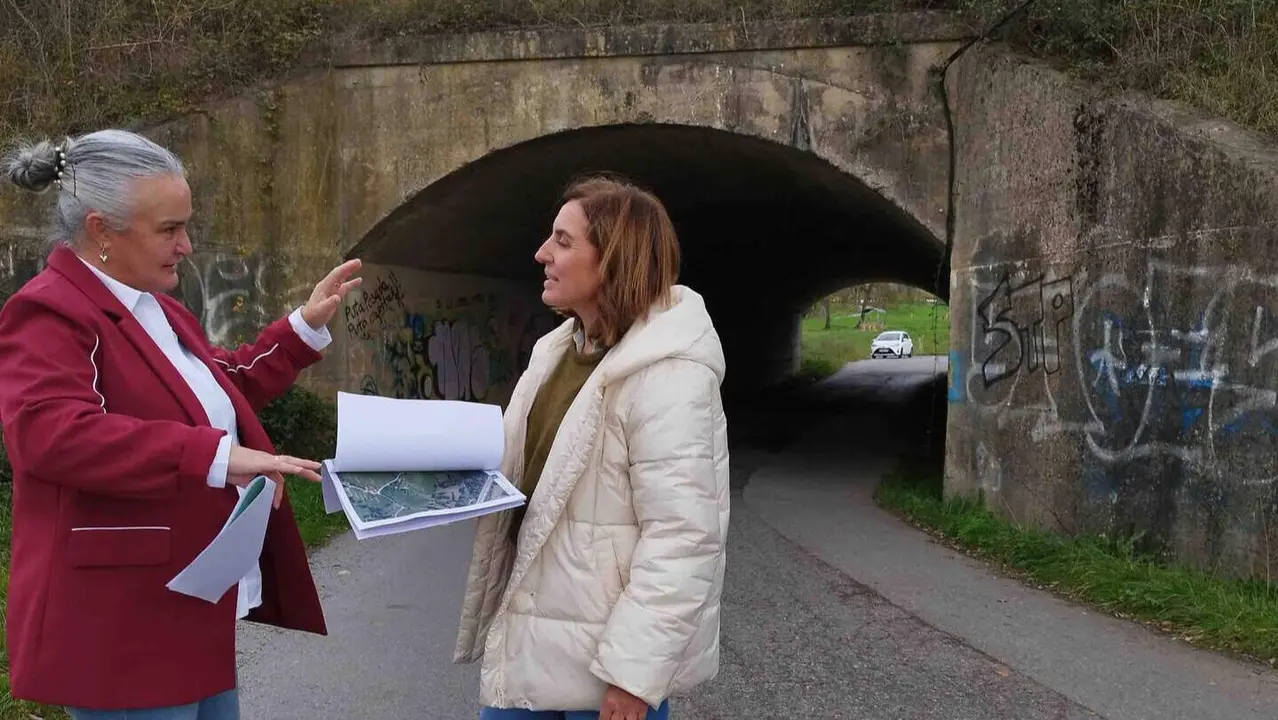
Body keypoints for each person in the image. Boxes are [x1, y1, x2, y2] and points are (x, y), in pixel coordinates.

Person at [0, 129, 360, 718]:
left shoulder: (158, 306)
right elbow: (50, 434)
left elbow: (221, 388)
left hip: (191, 602)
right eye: (168, 230)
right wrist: (217, 456)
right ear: (101, 230)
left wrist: (299, 330)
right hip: (121, 625)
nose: (187, 245)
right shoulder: (49, 310)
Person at [454, 175, 730, 720]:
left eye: (562, 240)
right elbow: (525, 479)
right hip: (531, 646)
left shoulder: (669, 373)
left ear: (613, 260)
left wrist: (634, 673)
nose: (541, 254)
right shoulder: (554, 352)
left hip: (607, 669)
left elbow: (684, 539)